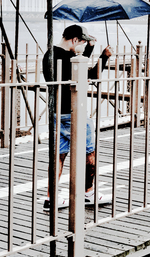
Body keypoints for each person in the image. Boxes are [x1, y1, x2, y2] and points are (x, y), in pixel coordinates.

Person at [42, 24, 113, 208]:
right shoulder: (67, 58)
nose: (82, 45)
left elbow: (74, 68)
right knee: (89, 152)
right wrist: (104, 57)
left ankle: (51, 198)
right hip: (74, 111)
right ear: (74, 40)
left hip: (56, 110)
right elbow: (90, 75)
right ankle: (88, 193)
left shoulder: (50, 55)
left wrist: (88, 49)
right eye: (82, 42)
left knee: (58, 155)